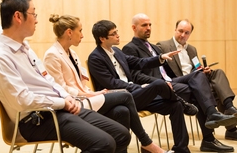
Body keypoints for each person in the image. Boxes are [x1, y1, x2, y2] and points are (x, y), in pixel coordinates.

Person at [0, 0, 132, 153]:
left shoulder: (26, 49)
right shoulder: (0, 56)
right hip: (35, 120)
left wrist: (66, 97)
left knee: (121, 134)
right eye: (33, 13)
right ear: (18, 16)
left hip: (57, 109)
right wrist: (62, 102)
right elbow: (22, 100)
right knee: (104, 143)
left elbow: (48, 80)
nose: (36, 19)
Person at [43, 14, 169, 153]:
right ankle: (147, 143)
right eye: (80, 30)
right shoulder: (52, 55)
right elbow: (60, 89)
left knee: (122, 110)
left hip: (85, 97)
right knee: (125, 95)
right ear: (69, 32)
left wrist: (92, 93)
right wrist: (89, 94)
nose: (83, 35)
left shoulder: (72, 53)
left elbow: (81, 83)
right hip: (74, 103)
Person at [122, 13, 237, 152]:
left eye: (150, 25)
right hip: (155, 88)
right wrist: (159, 83)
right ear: (134, 27)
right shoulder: (130, 48)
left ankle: (212, 117)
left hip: (170, 82)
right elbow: (136, 76)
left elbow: (167, 71)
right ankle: (209, 137)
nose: (148, 28)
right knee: (198, 93)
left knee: (198, 75)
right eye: (144, 25)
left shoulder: (153, 47)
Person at [157, 19, 237, 142]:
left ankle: (230, 107)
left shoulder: (192, 49)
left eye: (187, 33)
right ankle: (231, 130)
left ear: (190, 34)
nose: (183, 35)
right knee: (209, 91)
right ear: (175, 30)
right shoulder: (163, 46)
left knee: (217, 75)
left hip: (195, 79)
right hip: (178, 82)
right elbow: (160, 71)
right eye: (180, 31)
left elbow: (195, 68)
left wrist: (202, 70)